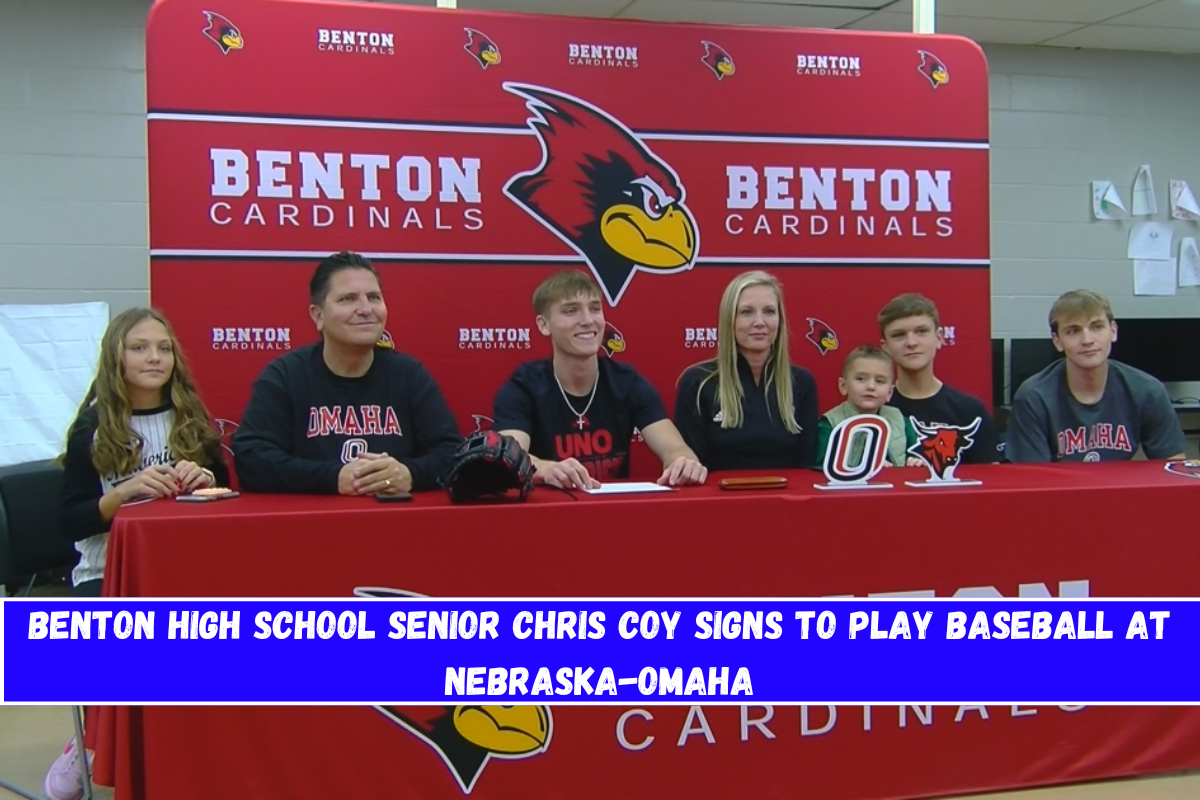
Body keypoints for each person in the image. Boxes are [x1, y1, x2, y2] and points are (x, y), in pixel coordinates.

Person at [47, 307, 229, 800]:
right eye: (139, 347)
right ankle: (91, 740)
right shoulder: (92, 428)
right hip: (103, 570)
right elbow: (70, 519)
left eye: (164, 348)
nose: (154, 357)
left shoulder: (191, 418)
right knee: (125, 644)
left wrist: (208, 480)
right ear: (116, 359)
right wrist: (123, 493)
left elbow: (229, 492)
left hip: (179, 569)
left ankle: (185, 747)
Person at [232, 252, 460, 495]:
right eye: (348, 299)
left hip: (395, 524)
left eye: (374, 297)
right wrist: (333, 478)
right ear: (318, 315)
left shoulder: (408, 375)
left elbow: (452, 453)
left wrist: (409, 474)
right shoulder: (285, 376)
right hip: (310, 527)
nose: (365, 309)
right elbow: (251, 461)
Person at [493, 270, 707, 488]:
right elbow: (509, 456)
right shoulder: (523, 386)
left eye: (595, 309)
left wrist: (683, 463)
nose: (587, 320)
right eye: (571, 311)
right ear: (543, 325)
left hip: (613, 512)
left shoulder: (627, 382)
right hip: (547, 511)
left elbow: (675, 449)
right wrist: (543, 467)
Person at [1006, 289, 1186, 463]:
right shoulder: (1033, 397)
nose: (1087, 340)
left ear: (1113, 331)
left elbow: (1172, 467)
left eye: (1096, 327)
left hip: (1119, 491)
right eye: (1073, 331)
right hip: (1059, 492)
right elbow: (1033, 479)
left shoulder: (1147, 391)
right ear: (1057, 341)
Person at [674, 271, 818, 470]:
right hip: (718, 499)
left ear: (780, 319)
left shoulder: (801, 382)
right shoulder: (698, 382)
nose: (760, 322)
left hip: (784, 499)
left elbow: (806, 467)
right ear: (729, 320)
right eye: (746, 312)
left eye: (769, 311)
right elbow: (691, 466)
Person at [879, 293, 999, 463]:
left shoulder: (970, 410)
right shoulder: (874, 409)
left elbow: (991, 478)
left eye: (921, 331)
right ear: (885, 346)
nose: (911, 342)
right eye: (899, 335)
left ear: (939, 337)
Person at [814, 345, 922, 467]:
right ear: (843, 386)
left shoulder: (901, 422)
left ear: (890, 393)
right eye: (861, 379)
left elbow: (916, 455)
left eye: (880, 381)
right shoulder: (829, 424)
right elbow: (820, 469)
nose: (871, 386)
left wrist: (916, 462)